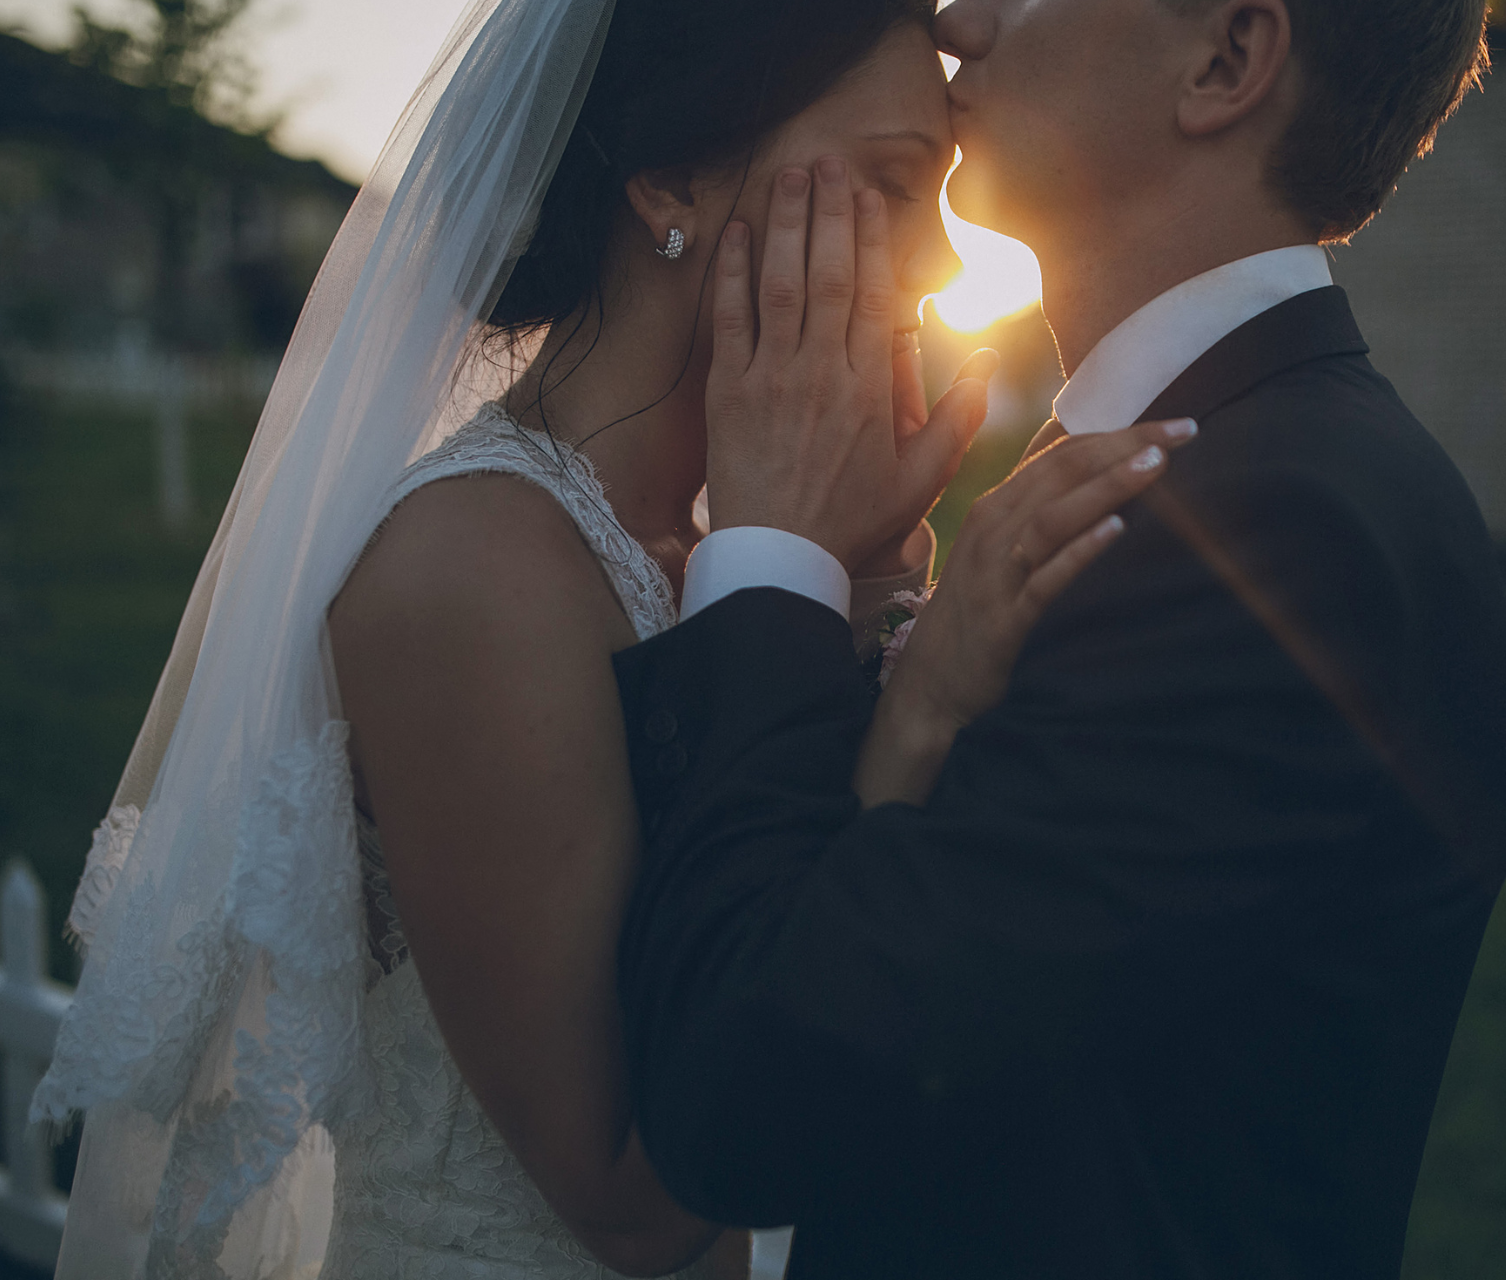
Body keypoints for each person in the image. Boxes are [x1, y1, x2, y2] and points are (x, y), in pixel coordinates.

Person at [32, 2, 1181, 1276]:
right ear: (670, 181)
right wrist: (918, 702)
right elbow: (642, 1198)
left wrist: (847, 577)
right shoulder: (478, 568)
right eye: (893, 185)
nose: (940, 266)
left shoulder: (715, 553)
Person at [611, 0, 1506, 1277]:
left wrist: (770, 560)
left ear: (1224, 62)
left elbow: (747, 1101)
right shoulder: (1205, 463)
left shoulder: (1272, 533)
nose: (960, 19)